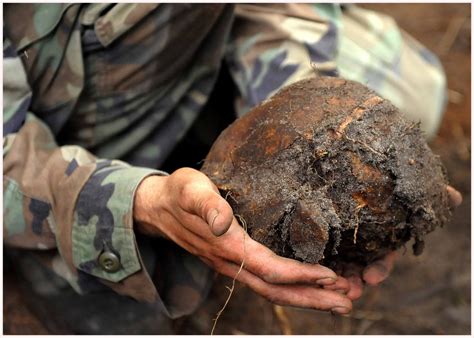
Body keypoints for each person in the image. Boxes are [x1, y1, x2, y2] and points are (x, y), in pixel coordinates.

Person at [3, 3, 462, 334]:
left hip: (192, 41)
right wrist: (138, 205)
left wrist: (298, 109)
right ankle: (65, 236)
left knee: (414, 93)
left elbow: (274, 9)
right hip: (40, 120)